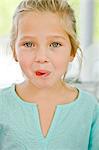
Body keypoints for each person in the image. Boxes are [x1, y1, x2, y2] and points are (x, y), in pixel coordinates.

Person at [0, 0, 99, 149]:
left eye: (55, 44)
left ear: (72, 51)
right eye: (28, 44)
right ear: (14, 51)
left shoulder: (89, 108)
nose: (41, 57)